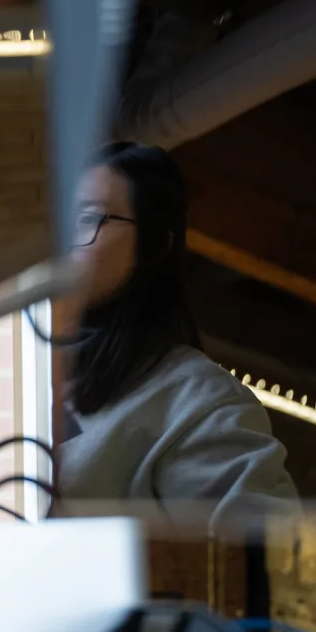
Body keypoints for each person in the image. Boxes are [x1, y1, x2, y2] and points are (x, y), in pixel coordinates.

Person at [54, 141, 299, 526]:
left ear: (155, 246)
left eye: (87, 219)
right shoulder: (13, 376)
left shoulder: (197, 401)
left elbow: (267, 548)